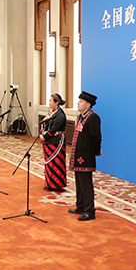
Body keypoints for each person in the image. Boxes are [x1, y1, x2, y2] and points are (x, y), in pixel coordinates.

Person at [69, 91, 101, 221]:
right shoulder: (80, 117)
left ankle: (89, 211)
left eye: (81, 102)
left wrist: (96, 151)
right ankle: (80, 206)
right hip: (77, 155)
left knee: (86, 184)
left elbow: (96, 137)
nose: (78, 103)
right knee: (79, 183)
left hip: (86, 156)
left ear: (88, 105)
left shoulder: (93, 118)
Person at [39, 93, 67, 193]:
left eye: (51, 101)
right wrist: (42, 134)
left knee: (56, 164)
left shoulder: (60, 115)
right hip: (49, 141)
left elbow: (54, 129)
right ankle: (49, 183)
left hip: (56, 142)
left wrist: (44, 137)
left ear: (57, 103)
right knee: (49, 164)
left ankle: (56, 184)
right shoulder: (52, 113)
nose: (49, 103)